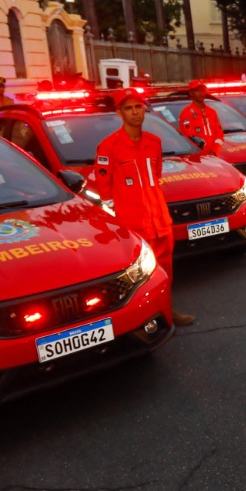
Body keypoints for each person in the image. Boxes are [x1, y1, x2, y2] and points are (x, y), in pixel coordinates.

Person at [87, 91, 196, 327]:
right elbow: (105, 190)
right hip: (134, 223)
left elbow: (154, 178)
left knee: (165, 269)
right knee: (140, 276)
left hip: (160, 219)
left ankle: (166, 311)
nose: (135, 112)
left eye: (138, 106)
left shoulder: (154, 142)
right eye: (128, 108)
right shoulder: (109, 147)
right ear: (119, 113)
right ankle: (144, 319)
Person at [176, 80, 225, 155]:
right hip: (198, 157)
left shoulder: (212, 112)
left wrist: (215, 150)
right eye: (197, 91)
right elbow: (189, 137)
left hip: (214, 156)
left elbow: (219, 134)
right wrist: (205, 152)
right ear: (191, 93)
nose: (201, 93)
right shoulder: (186, 113)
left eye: (202, 90)